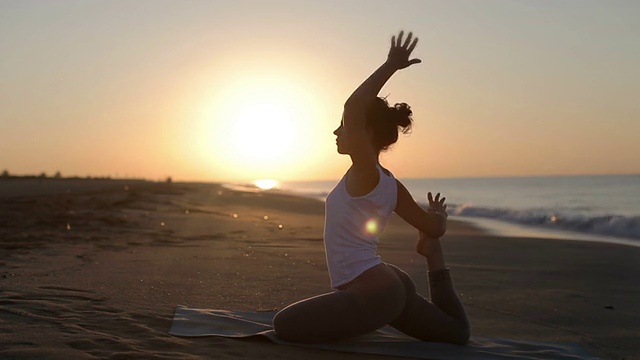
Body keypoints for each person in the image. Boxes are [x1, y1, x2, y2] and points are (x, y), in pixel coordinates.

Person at [272, 31, 470, 345]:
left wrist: (390, 65)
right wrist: (437, 223)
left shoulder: (366, 172)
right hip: (387, 284)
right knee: (456, 334)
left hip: (375, 292)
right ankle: (435, 259)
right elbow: (433, 226)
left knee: (284, 324)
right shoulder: (389, 183)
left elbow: (354, 104)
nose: (337, 130)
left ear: (365, 133)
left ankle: (369, 310)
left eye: (345, 125)